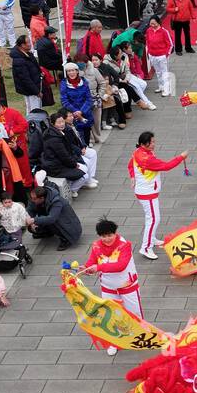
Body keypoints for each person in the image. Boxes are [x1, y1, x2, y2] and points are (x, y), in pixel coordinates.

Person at [83, 220, 143, 353]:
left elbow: (120, 266)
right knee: (110, 315)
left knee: (135, 313)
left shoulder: (124, 245)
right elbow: (92, 261)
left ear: (115, 233)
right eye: (103, 236)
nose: (107, 239)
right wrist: (86, 268)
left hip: (128, 285)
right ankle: (114, 341)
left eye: (109, 235)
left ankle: (139, 335)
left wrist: (98, 267)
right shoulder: (96, 246)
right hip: (108, 287)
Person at [128, 132, 187, 260]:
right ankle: (146, 247)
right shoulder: (147, 158)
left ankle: (152, 239)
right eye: (152, 142)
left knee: (152, 218)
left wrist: (133, 177)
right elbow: (166, 166)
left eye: (154, 141)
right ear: (145, 144)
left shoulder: (138, 151)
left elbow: (130, 164)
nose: (154, 144)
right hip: (147, 193)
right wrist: (181, 157)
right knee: (154, 219)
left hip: (146, 190)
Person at [40, 111, 99, 198]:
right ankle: (72, 190)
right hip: (55, 167)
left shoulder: (58, 133)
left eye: (62, 122)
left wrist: (75, 160)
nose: (61, 124)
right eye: (58, 122)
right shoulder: (54, 138)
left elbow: (67, 151)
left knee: (85, 167)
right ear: (52, 123)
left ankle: (80, 184)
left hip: (61, 162)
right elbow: (63, 155)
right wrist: (74, 164)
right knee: (84, 175)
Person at [25, 183, 81, 251]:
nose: (32, 200)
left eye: (34, 199)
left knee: (51, 221)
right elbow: (29, 209)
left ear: (42, 198)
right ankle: (47, 232)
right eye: (31, 198)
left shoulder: (56, 201)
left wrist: (34, 220)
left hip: (68, 226)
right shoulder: (35, 199)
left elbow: (52, 218)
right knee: (33, 226)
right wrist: (31, 221)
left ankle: (66, 239)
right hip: (52, 219)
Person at [58, 65, 94, 149]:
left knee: (86, 130)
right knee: (77, 133)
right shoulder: (64, 84)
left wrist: (81, 111)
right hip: (72, 113)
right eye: (69, 71)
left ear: (77, 71)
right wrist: (75, 111)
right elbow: (64, 101)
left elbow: (89, 98)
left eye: (73, 70)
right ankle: (82, 148)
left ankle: (87, 146)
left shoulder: (84, 82)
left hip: (85, 112)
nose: (71, 73)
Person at [11, 34, 43, 116]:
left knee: (32, 108)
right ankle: (34, 124)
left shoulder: (26, 53)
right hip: (30, 89)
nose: (30, 43)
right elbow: (25, 78)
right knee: (34, 109)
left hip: (32, 87)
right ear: (22, 45)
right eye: (28, 42)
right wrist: (36, 91)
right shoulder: (19, 60)